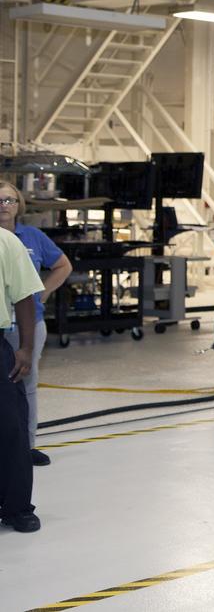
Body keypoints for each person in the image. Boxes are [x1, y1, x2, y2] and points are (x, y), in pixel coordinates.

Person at [0, 182, 72, 467]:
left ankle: (26, 447)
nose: (4, 205)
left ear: (19, 205)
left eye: (9, 200)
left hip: (28, 325)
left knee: (26, 384)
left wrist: (44, 290)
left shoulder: (33, 237)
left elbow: (63, 265)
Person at [0, 225, 47, 533]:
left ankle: (16, 508)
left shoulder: (6, 242)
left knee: (10, 427)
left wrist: (27, 348)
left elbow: (24, 297)